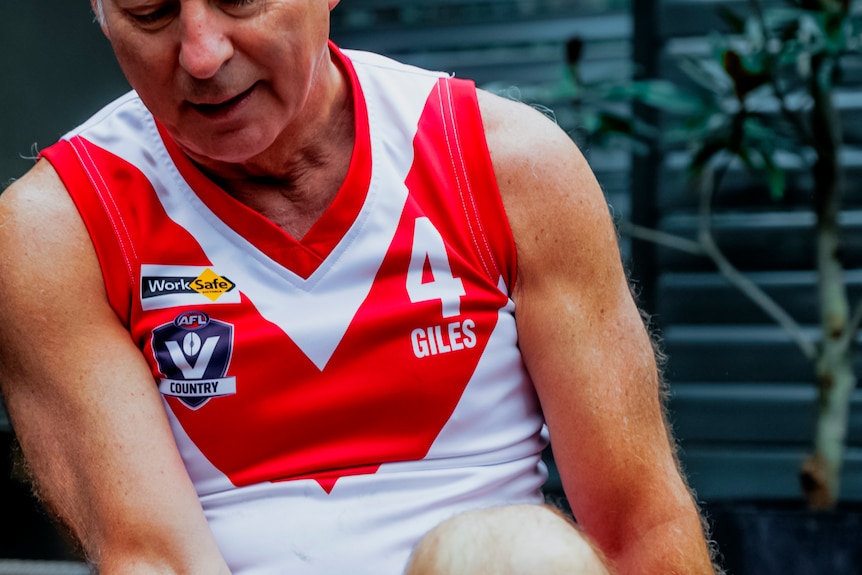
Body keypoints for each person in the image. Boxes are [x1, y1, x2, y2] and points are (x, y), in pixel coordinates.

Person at [0, 1, 719, 573]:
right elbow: (154, 558)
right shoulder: (56, 229)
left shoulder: (508, 168)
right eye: (151, 13)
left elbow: (640, 528)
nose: (202, 54)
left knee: (511, 558)